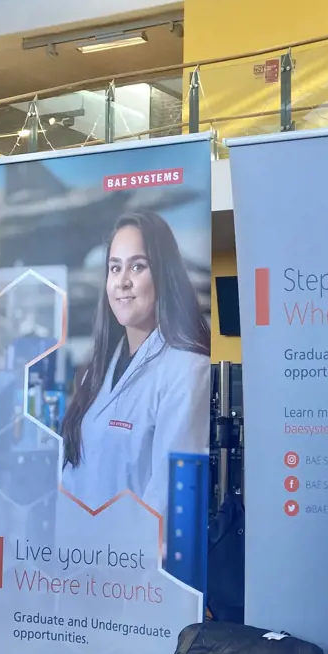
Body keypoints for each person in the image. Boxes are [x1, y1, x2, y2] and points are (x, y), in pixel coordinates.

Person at [60, 210, 210, 516]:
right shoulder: (97, 370)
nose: (122, 282)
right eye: (115, 269)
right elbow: (76, 475)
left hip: (133, 558)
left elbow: (169, 498)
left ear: (163, 275)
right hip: (78, 554)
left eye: (137, 267)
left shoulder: (188, 371)